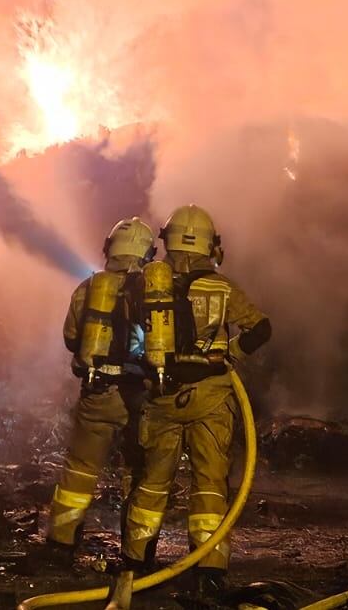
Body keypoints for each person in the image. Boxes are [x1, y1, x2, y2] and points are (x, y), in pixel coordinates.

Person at [121, 205, 272, 597]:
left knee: (153, 483)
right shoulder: (222, 288)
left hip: (161, 396)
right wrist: (231, 352)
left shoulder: (147, 286)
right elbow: (261, 328)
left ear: (166, 241)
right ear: (210, 243)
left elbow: (130, 339)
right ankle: (209, 570)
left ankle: (136, 564)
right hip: (212, 395)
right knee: (209, 483)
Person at [38, 217, 158, 565]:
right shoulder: (157, 290)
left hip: (98, 393)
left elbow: (71, 338)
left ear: (110, 248)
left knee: (79, 472)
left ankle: (61, 545)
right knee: (140, 474)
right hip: (143, 397)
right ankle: (137, 557)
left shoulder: (89, 288)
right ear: (149, 252)